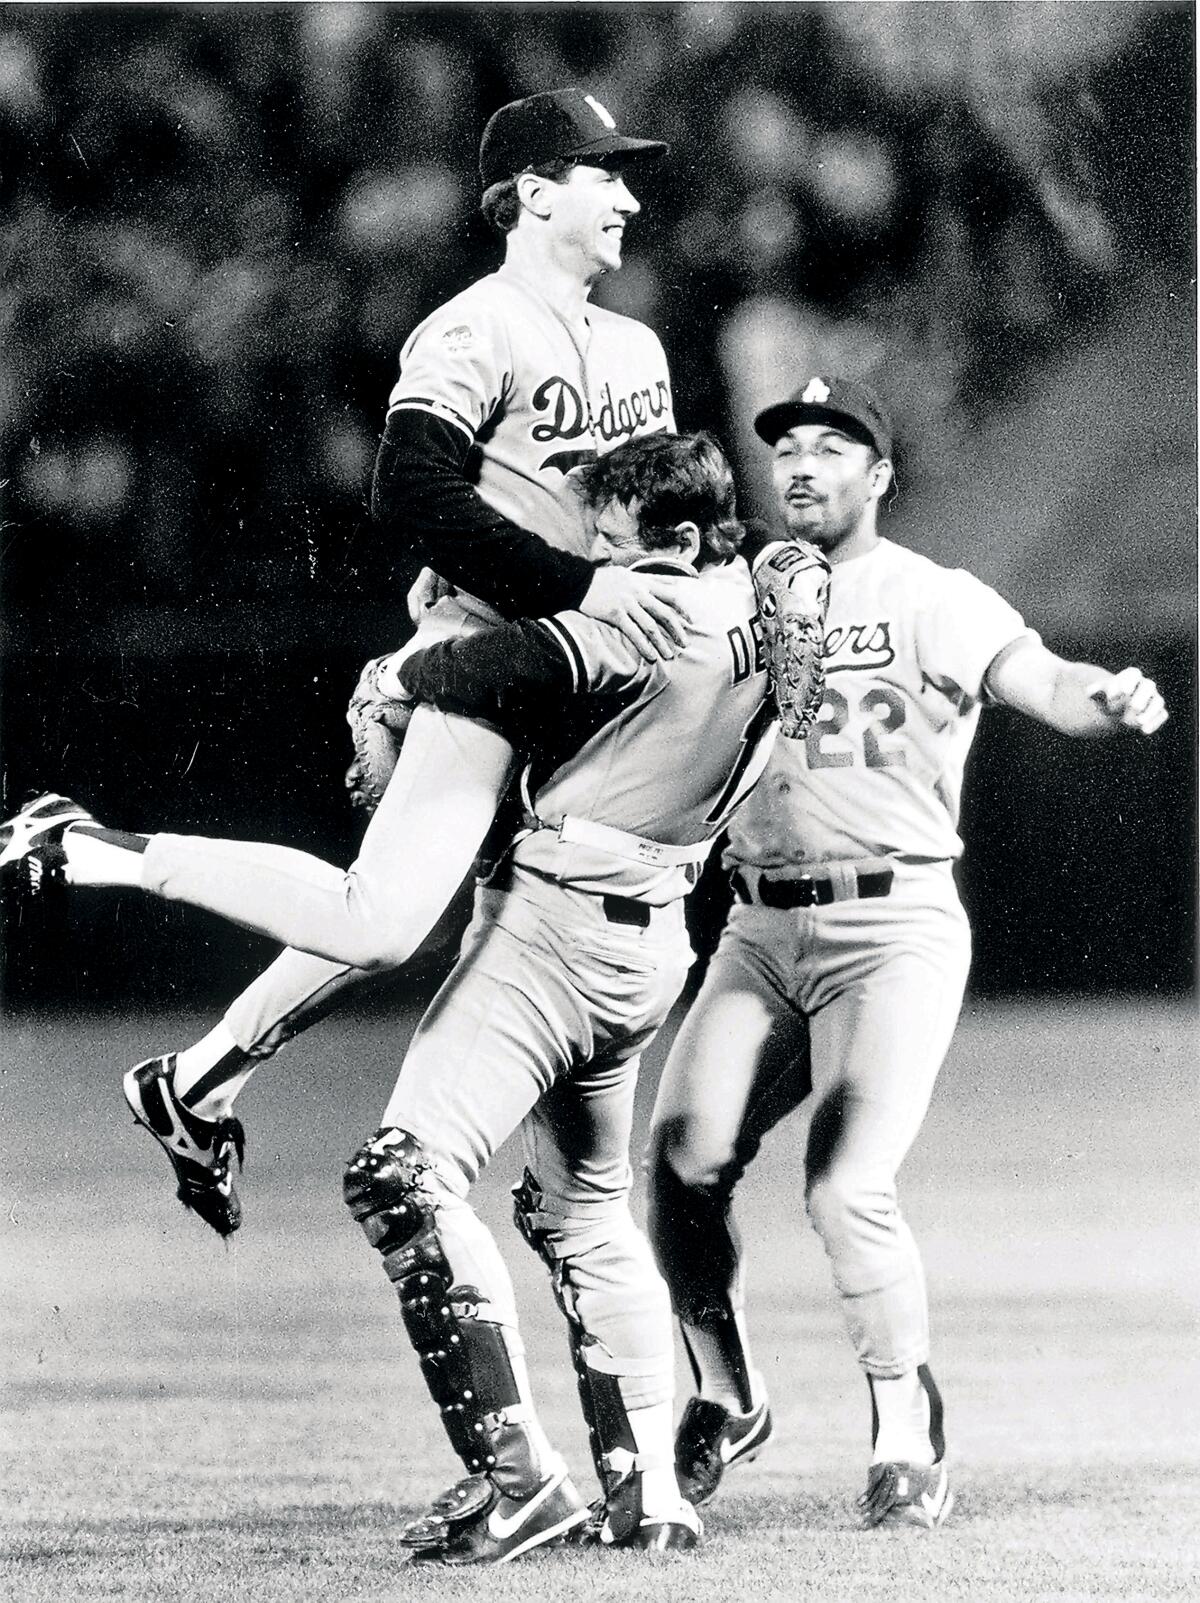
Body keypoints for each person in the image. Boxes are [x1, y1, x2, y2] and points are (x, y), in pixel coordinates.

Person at [5, 432, 825, 1564]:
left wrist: (395, 674)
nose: (591, 561)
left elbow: (486, 672)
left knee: (402, 1173)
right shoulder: (765, 595)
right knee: (583, 1209)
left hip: (555, 934)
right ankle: (654, 1501)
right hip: (652, 950)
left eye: (612, 541)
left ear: (679, 542)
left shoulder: (657, 613)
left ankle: (516, 1483)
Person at [1, 87, 692, 1238]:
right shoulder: (474, 327)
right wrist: (570, 586)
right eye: (600, 172)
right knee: (384, 919)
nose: (626, 193)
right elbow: (408, 490)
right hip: (497, 657)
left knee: (456, 924)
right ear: (531, 195)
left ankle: (202, 1079)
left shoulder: (637, 346)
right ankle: (93, 846)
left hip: (587, 673)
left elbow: (656, 512)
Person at [644, 375, 1168, 1532]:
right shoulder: (735, 594)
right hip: (756, 926)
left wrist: (1108, 694)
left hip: (893, 929)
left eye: (834, 448)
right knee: (679, 1162)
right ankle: (726, 1393)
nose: (803, 466)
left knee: (844, 1183)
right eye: (789, 448)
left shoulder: (932, 596)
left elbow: (1044, 681)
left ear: (879, 475)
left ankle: (903, 1423)